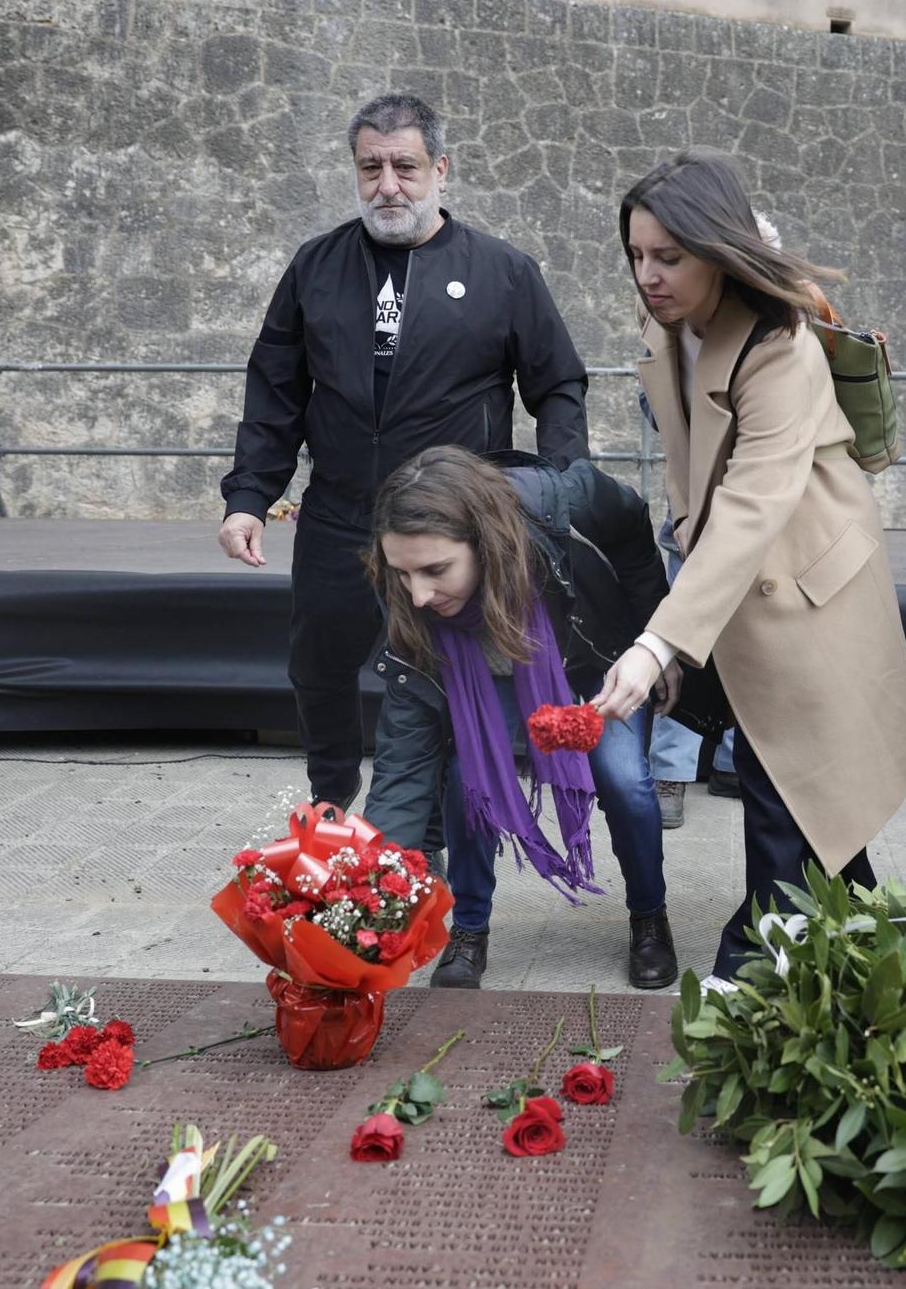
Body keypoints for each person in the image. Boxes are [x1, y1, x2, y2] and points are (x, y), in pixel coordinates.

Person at [593, 149, 906, 978]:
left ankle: (752, 979)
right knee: (803, 797)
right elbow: (686, 462)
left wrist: (657, 642)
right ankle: (857, 951)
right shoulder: (665, 323)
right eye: (637, 256)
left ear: (716, 249)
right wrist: (680, 556)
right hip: (730, 575)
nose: (649, 276)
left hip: (811, 584)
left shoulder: (780, 342)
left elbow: (754, 503)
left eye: (669, 257)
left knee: (786, 778)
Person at [217, 92, 588, 815]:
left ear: (441, 169)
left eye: (405, 167)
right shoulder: (315, 266)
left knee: (442, 679)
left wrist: (558, 494)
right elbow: (275, 389)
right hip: (341, 515)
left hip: (453, 526)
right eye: (371, 168)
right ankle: (330, 799)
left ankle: (432, 828)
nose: (388, 185)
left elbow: (559, 385)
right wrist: (247, 497)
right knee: (317, 666)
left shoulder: (503, 272)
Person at [362, 446, 678, 990]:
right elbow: (403, 764)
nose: (418, 594)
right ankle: (469, 929)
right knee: (468, 781)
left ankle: (649, 915)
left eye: (437, 570)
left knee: (627, 782)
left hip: (589, 664)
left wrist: (656, 639)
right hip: (490, 687)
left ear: (486, 543)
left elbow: (631, 525)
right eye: (404, 573)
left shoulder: (562, 502)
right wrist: (372, 889)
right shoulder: (410, 597)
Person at [647, 511, 739, 830]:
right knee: (686, 638)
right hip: (698, 519)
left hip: (771, 517)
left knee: (754, 638)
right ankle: (670, 772)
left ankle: (732, 763)